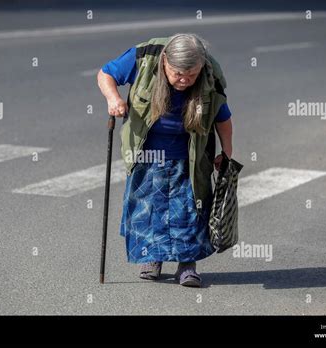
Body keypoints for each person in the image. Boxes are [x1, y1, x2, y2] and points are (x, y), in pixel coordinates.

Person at [97, 33, 233, 287]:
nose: (184, 81)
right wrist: (113, 98)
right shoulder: (143, 57)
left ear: (201, 66)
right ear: (165, 62)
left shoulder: (209, 74)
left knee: (189, 211)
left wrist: (226, 151)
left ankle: (187, 266)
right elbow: (106, 74)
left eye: (190, 75)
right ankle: (152, 257)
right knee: (149, 209)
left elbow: (222, 115)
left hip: (189, 154)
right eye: (178, 74)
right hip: (147, 151)